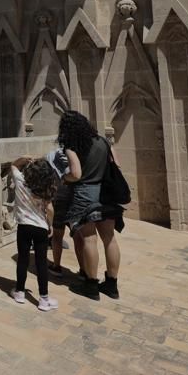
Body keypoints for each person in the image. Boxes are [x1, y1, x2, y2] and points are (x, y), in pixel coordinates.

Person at [58, 111, 124, 300]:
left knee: (89, 239)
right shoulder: (104, 142)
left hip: (85, 194)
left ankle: (91, 285)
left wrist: (64, 178)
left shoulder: (72, 147)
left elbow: (76, 174)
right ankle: (112, 285)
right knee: (109, 238)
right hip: (106, 193)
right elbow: (116, 165)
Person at [9, 156, 60, 310]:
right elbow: (50, 209)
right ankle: (43, 299)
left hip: (24, 226)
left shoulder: (21, 181)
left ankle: (19, 292)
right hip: (40, 227)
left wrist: (22, 159)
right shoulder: (45, 187)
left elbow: (13, 165)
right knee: (41, 262)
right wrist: (50, 224)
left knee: (23, 259)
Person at [45, 147, 80, 280]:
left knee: (57, 235)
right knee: (78, 235)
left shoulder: (51, 155)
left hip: (59, 196)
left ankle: (57, 266)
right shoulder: (79, 155)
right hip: (75, 195)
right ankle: (83, 269)